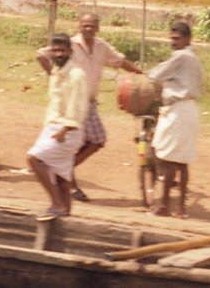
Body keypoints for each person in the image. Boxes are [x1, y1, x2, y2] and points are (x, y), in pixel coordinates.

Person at [35, 12, 142, 201]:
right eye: (85, 25)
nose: (88, 29)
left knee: (94, 141)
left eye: (92, 26)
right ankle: (66, 179)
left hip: (88, 101)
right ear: (79, 26)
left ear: (98, 27)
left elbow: (119, 61)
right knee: (87, 140)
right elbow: (41, 54)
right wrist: (53, 74)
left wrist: (139, 72)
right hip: (71, 102)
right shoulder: (71, 45)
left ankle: (64, 173)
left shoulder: (101, 46)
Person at [26, 34, 88, 220]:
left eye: (62, 51)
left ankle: (56, 203)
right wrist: (51, 52)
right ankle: (65, 211)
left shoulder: (76, 75)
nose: (58, 54)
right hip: (53, 126)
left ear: (70, 52)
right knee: (61, 174)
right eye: (55, 51)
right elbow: (40, 55)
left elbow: (78, 106)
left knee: (33, 159)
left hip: (67, 129)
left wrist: (65, 129)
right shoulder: (56, 72)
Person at [147, 21, 203, 218]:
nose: (173, 42)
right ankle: (180, 208)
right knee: (181, 160)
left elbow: (155, 75)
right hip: (187, 110)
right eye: (171, 38)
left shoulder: (181, 57)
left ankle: (163, 206)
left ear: (187, 39)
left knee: (169, 158)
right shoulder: (191, 57)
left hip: (178, 110)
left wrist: (144, 74)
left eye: (177, 39)